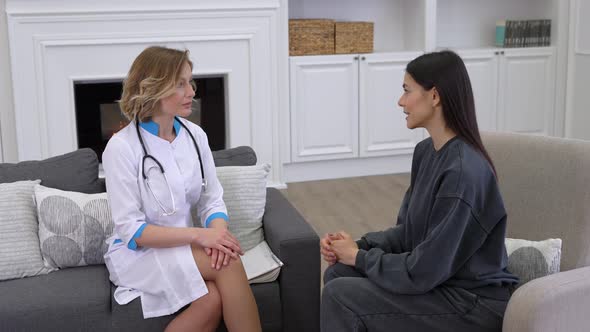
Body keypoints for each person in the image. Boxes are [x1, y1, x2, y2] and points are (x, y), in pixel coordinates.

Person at [319, 50, 518, 332]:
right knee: (339, 272)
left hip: (470, 303)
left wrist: (359, 257)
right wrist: (357, 246)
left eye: (406, 90)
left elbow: (424, 269)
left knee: (340, 295)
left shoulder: (463, 173)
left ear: (434, 96)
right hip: (440, 284)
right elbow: (409, 234)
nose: (400, 101)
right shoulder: (426, 152)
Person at [102, 46, 261, 332]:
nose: (191, 91)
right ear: (154, 89)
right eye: (180, 84)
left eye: (190, 81)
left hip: (188, 245)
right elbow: (131, 230)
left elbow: (212, 200)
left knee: (211, 300)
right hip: (139, 255)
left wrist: (218, 234)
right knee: (228, 264)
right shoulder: (121, 148)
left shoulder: (194, 135)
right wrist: (203, 236)